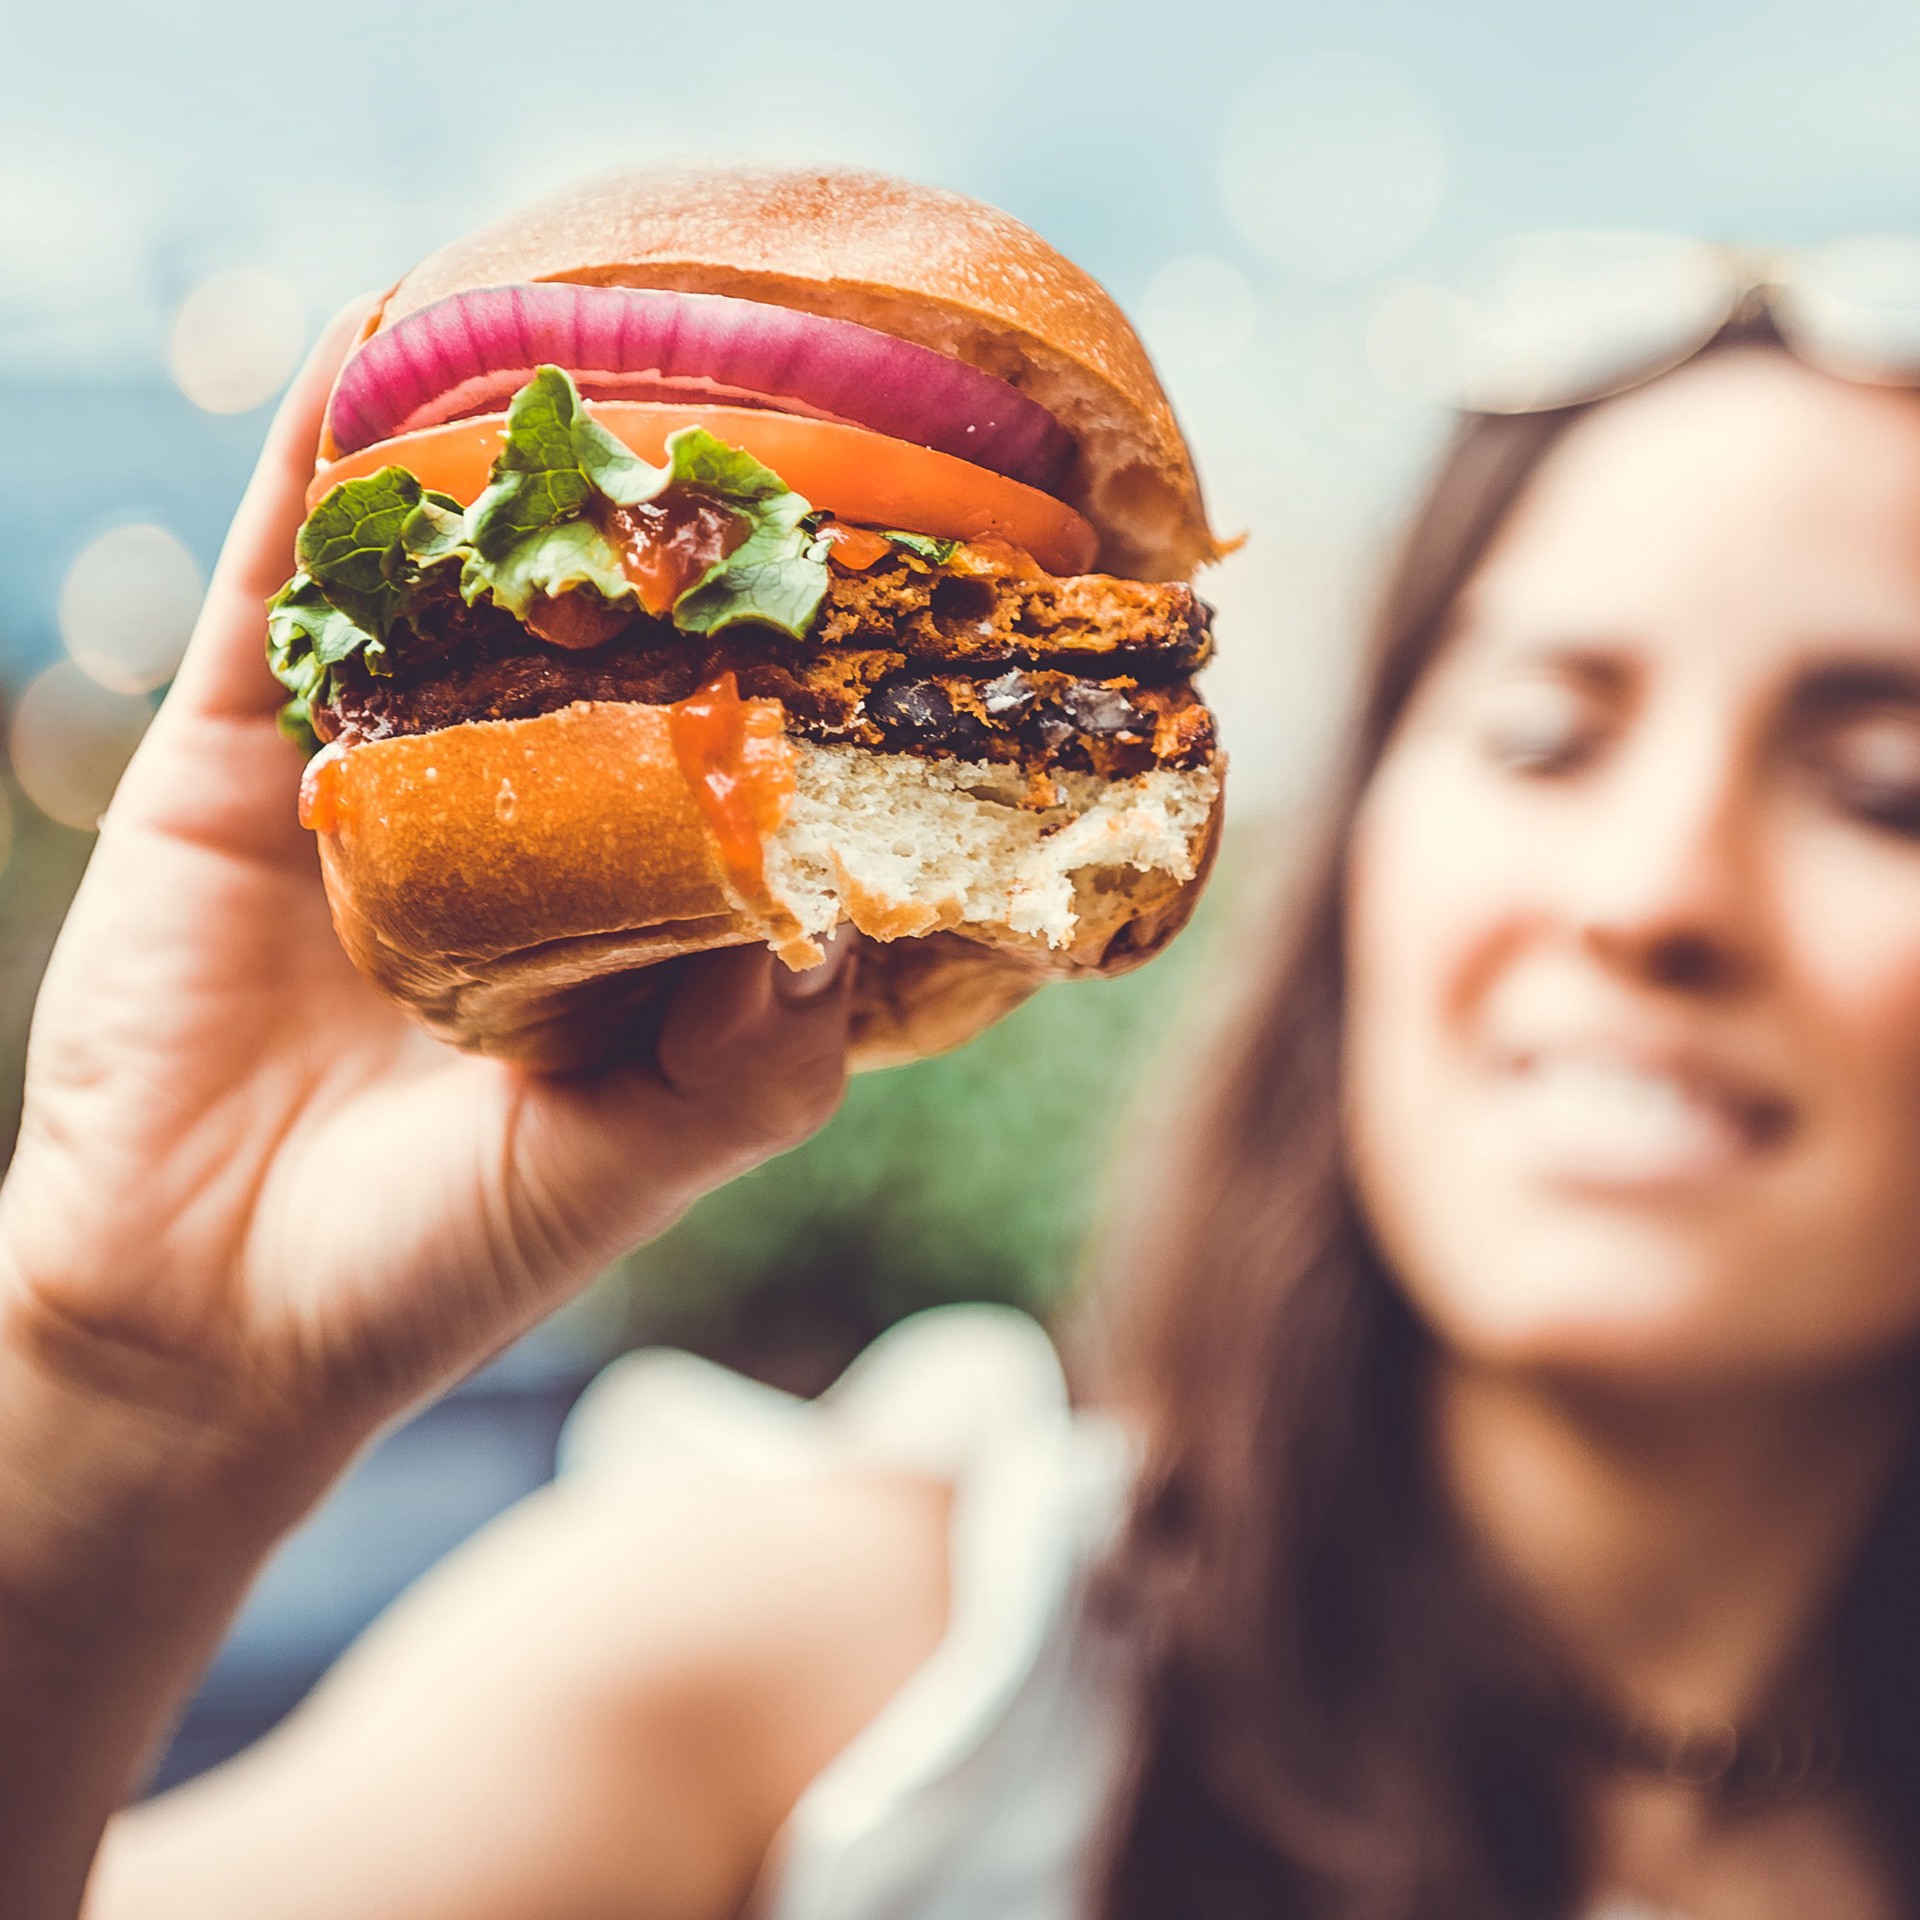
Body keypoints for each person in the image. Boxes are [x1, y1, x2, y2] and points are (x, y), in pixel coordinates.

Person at [7, 257, 1920, 1918]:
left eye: (1879, 790)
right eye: (1541, 734)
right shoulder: (821, 1670)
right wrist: (124, 1394)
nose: (1657, 896)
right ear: (1358, 863)